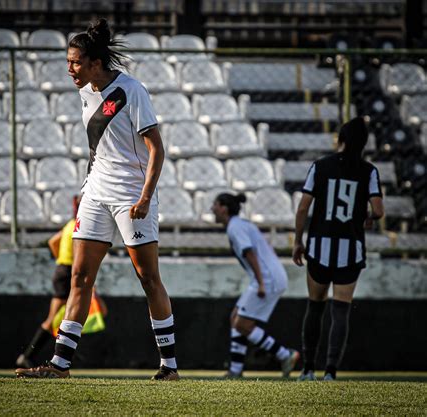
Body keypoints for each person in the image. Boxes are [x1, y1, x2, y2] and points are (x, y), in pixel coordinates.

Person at [16, 18, 178, 381]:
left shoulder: (132, 91)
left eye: (75, 62)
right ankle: (59, 365)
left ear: (95, 62)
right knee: (80, 277)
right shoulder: (85, 91)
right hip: (96, 194)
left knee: (148, 278)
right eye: (69, 61)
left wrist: (146, 195)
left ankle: (169, 366)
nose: (70, 69)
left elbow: (157, 148)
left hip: (131, 197)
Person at [292, 116, 384, 381]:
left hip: (320, 246)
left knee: (315, 307)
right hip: (350, 249)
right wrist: (364, 215)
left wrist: (299, 241)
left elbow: (302, 208)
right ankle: (331, 371)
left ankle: (308, 368)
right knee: (340, 310)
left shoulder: (320, 166)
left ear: (340, 139)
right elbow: (378, 210)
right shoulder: (369, 171)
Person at [212, 193, 300, 378]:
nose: (212, 209)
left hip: (267, 279)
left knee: (242, 324)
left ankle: (285, 355)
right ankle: (235, 370)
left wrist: (261, 283)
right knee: (235, 318)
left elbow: (250, 253)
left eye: (215, 205)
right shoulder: (241, 225)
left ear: (224, 208)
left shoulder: (235, 227)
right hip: (268, 276)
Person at [15, 195, 107, 369]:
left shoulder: (69, 225)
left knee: (59, 318)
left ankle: (37, 356)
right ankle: (29, 356)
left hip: (62, 270)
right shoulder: (81, 227)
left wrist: (61, 257)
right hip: (68, 273)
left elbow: (53, 241)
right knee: (54, 319)